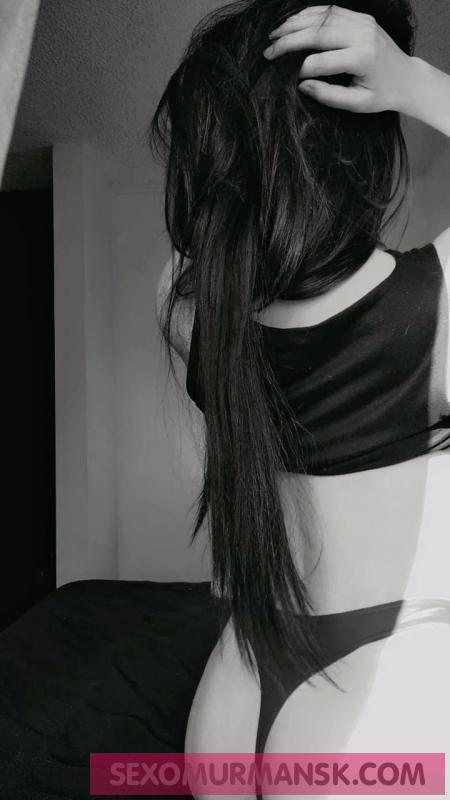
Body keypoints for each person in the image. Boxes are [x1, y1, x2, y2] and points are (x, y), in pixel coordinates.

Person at [153, 1, 450, 795]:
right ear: (367, 149)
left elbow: (218, 246)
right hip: (388, 685)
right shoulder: (438, 304)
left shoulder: (188, 311)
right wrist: (414, 82)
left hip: (236, 689)